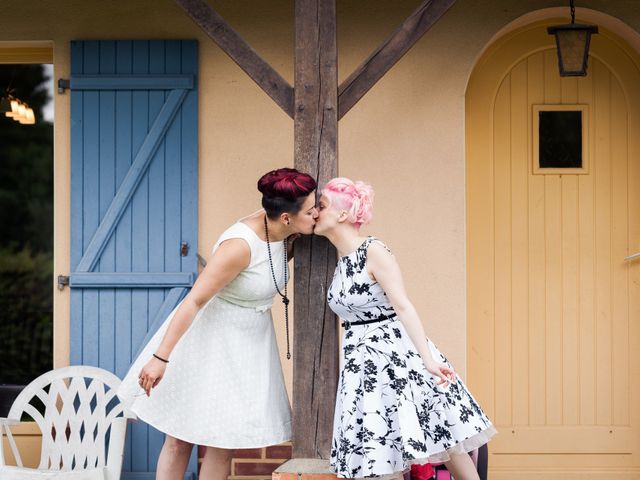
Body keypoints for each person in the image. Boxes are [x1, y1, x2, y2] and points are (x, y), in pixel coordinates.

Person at [117, 168, 318, 480]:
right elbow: (194, 300)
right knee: (179, 438)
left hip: (246, 346)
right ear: (287, 217)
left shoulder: (284, 231)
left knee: (224, 441)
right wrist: (160, 357)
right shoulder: (240, 246)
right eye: (311, 210)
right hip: (207, 340)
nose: (316, 214)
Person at [313, 177, 496, 480]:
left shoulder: (374, 250)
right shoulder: (340, 260)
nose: (316, 213)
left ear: (343, 214)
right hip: (362, 364)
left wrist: (428, 360)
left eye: (322, 206)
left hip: (396, 357)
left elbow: (403, 305)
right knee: (383, 448)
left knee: (444, 436)